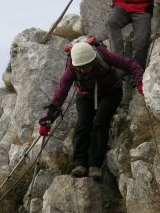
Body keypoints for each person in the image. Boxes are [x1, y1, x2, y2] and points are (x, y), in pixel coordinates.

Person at [38, 41, 144, 180]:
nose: (84, 69)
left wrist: (140, 82)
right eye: (80, 67)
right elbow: (60, 93)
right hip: (85, 95)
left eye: (87, 65)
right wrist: (48, 119)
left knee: (100, 122)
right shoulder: (71, 69)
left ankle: (95, 164)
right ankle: (80, 164)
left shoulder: (104, 55)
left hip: (110, 91)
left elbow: (130, 64)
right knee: (83, 124)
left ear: (93, 59)